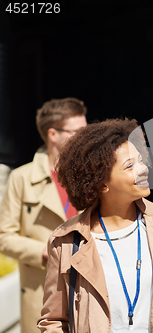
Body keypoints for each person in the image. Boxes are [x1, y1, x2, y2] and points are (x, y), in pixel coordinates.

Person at [38, 118, 153, 332]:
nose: (143, 169)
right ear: (102, 183)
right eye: (130, 166)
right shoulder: (66, 241)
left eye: (141, 160)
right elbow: (53, 321)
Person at [0, 98, 87, 333]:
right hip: (43, 294)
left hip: (89, 291)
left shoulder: (92, 174)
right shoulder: (21, 178)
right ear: (53, 134)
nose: (84, 138)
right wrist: (46, 251)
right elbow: (3, 237)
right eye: (77, 131)